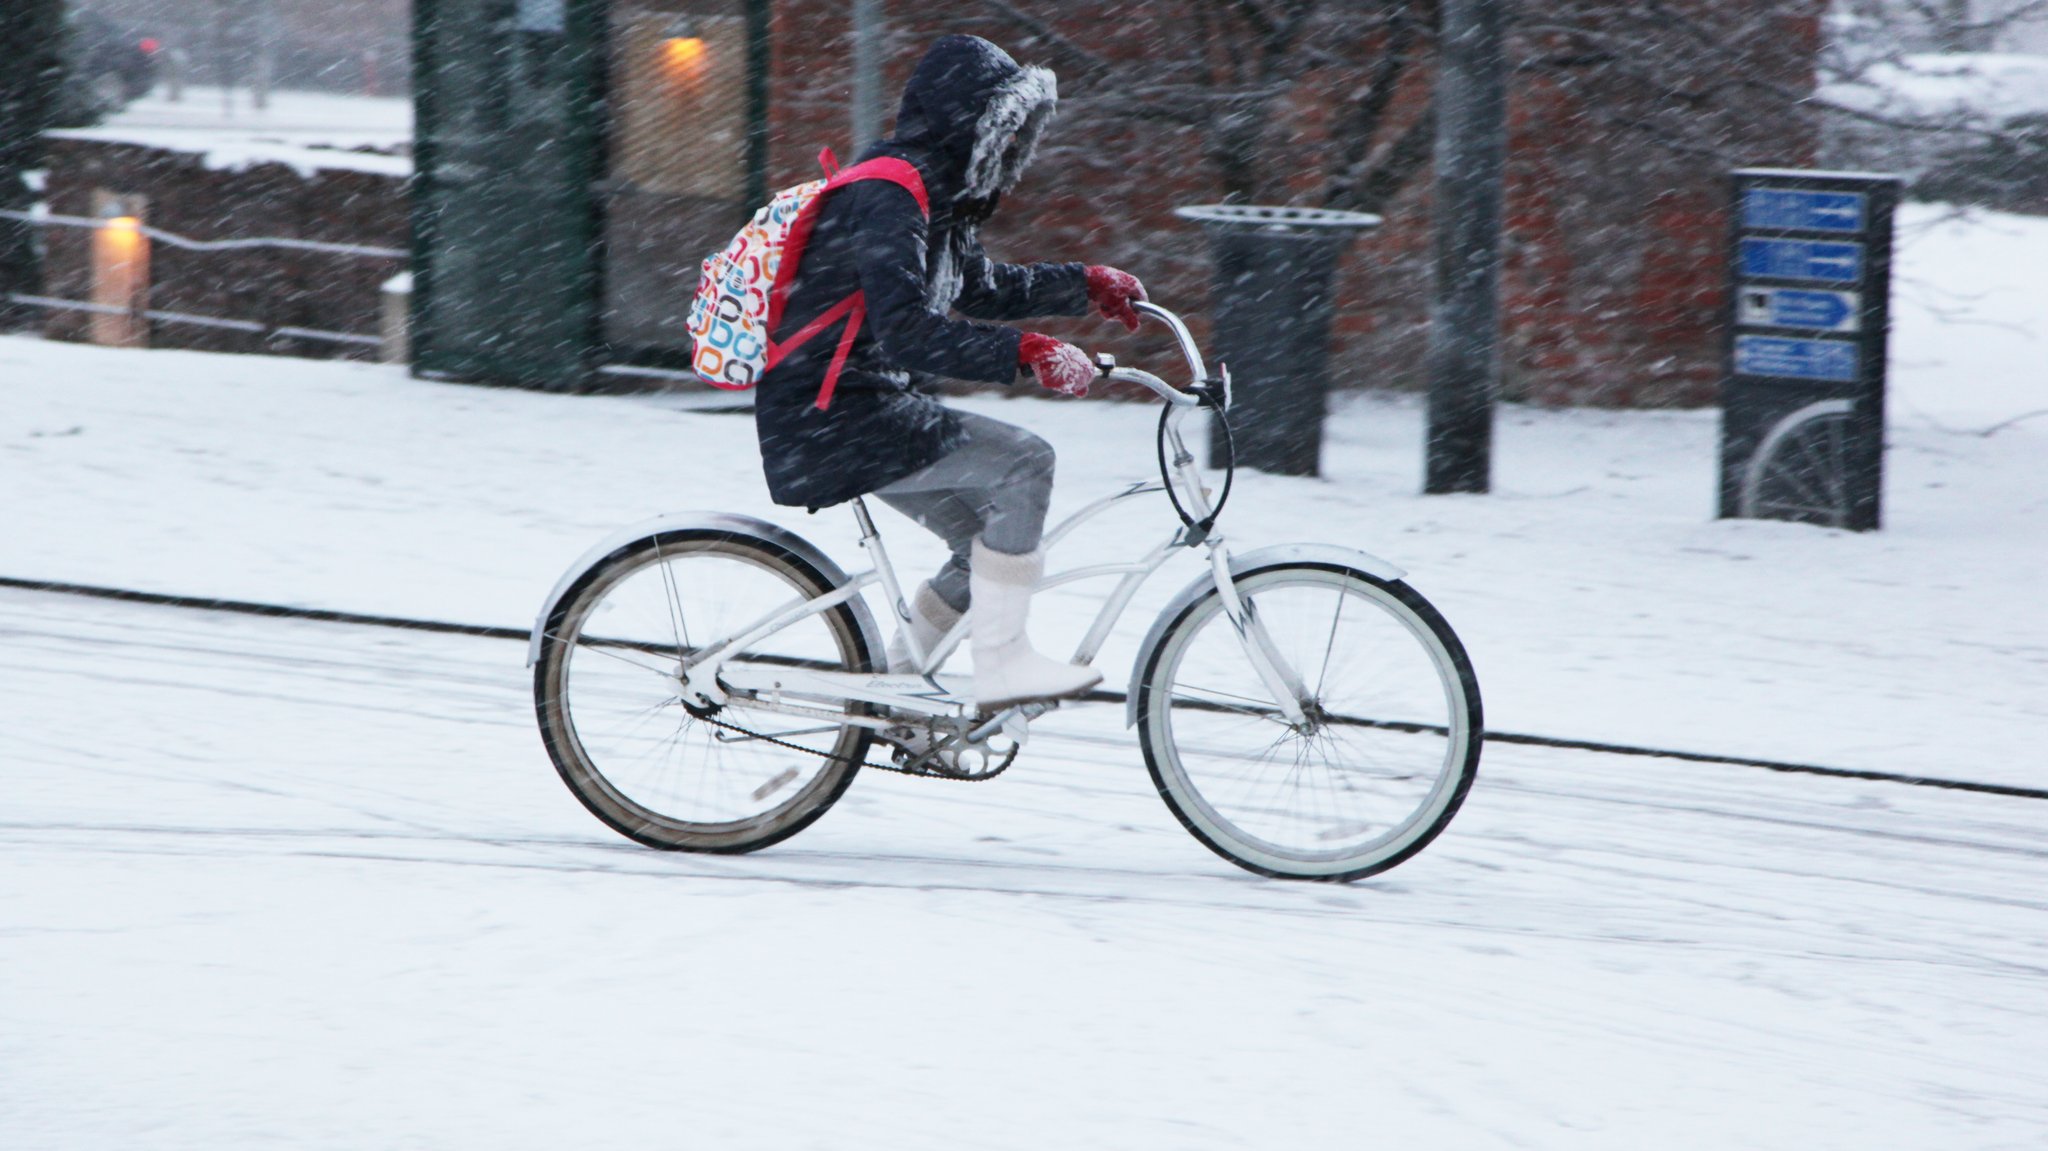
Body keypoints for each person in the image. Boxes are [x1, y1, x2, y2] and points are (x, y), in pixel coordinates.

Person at [754, 35, 1147, 711]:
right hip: (833, 414)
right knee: (1025, 462)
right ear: (967, 120)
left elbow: (979, 287)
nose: (1014, 139)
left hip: (861, 405)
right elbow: (907, 330)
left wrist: (1083, 286)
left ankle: (894, 694)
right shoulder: (890, 191)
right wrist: (1025, 353)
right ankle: (1002, 661)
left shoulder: (935, 194)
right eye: (1005, 124)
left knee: (981, 546)